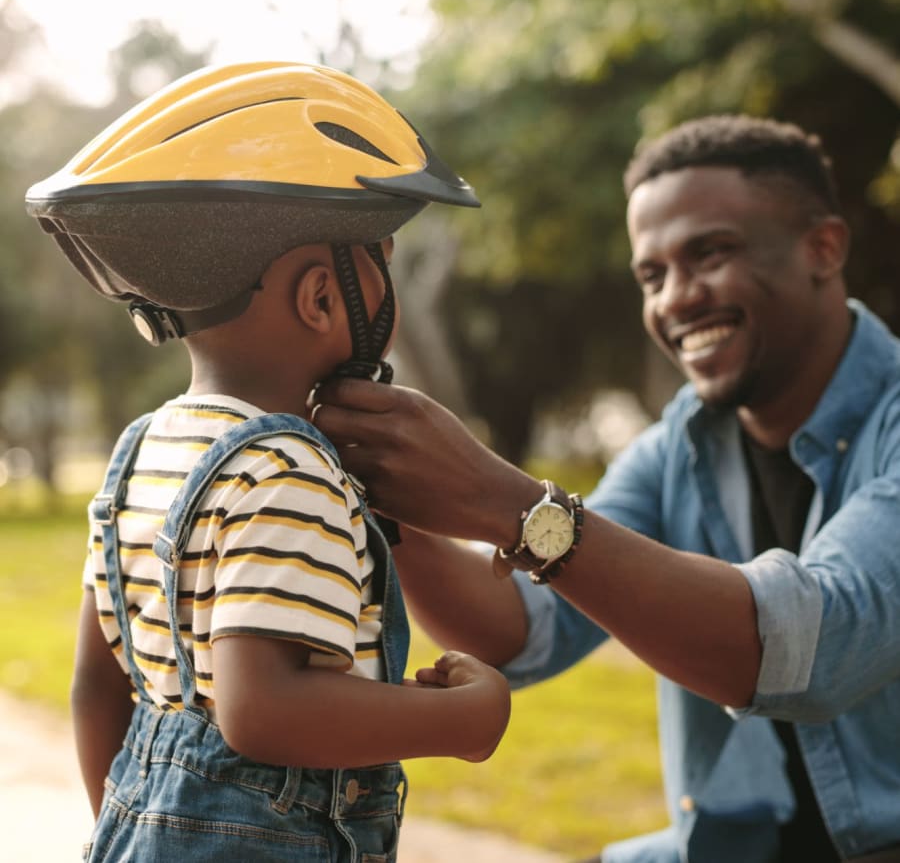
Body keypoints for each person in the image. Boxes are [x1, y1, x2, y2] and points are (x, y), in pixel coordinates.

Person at [310, 115, 900, 862]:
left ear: (824, 249)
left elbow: (815, 650)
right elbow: (519, 631)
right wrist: (395, 497)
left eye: (709, 253)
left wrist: (506, 504)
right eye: (651, 276)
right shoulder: (678, 449)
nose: (677, 299)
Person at [25, 61, 510, 862]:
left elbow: (96, 684)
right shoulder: (287, 469)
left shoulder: (142, 450)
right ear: (323, 298)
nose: (387, 279)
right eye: (380, 259)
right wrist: (471, 720)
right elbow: (267, 712)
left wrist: (130, 829)